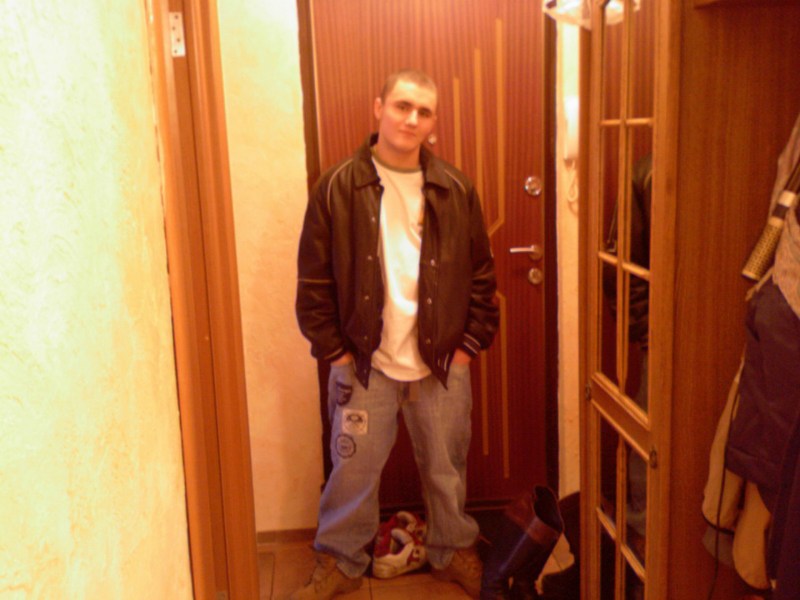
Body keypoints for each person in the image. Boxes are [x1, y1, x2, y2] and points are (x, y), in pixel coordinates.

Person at [293, 69, 499, 600]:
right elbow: (313, 281)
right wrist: (336, 353)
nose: (411, 119)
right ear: (378, 107)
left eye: (423, 111)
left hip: (442, 362)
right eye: (402, 106)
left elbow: (481, 275)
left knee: (447, 470)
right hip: (364, 362)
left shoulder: (455, 188)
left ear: (434, 122)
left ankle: (452, 551)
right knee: (352, 471)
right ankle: (340, 561)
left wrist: (467, 348)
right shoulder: (337, 186)